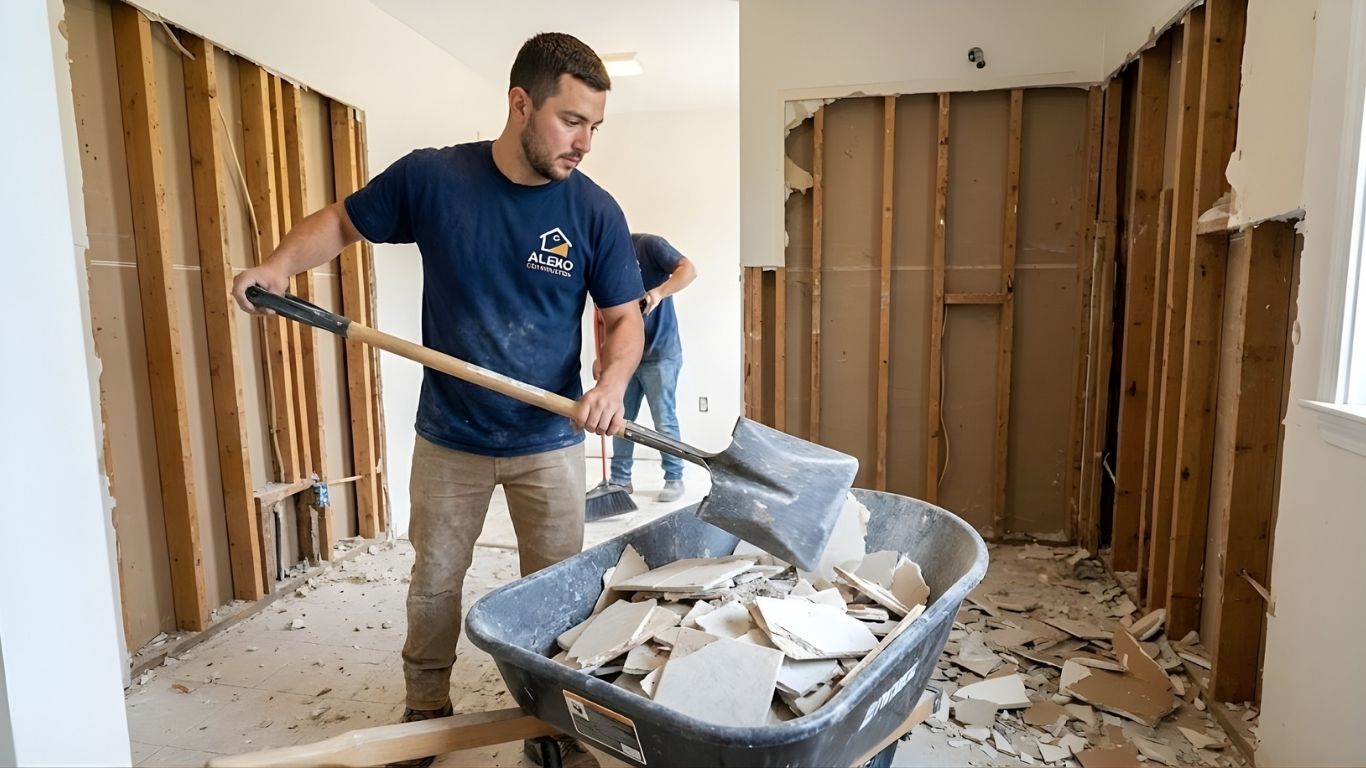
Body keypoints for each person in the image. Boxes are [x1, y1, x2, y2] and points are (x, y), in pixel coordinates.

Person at [231, 32, 643, 768]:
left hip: (549, 439)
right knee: (434, 583)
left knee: (558, 593)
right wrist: (279, 265)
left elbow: (624, 319)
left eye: (595, 127)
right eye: (571, 121)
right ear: (521, 104)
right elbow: (342, 221)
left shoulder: (594, 212)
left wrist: (611, 384)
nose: (585, 142)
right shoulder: (435, 178)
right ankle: (426, 709)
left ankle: (550, 722)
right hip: (450, 435)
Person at [592, 233, 696, 503]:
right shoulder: (603, 259)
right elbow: (603, 317)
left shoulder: (649, 246)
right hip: (625, 357)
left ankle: (674, 477)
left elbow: (689, 270)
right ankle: (620, 480)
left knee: (664, 419)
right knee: (619, 419)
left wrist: (658, 293)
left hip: (660, 353)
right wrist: (602, 357)